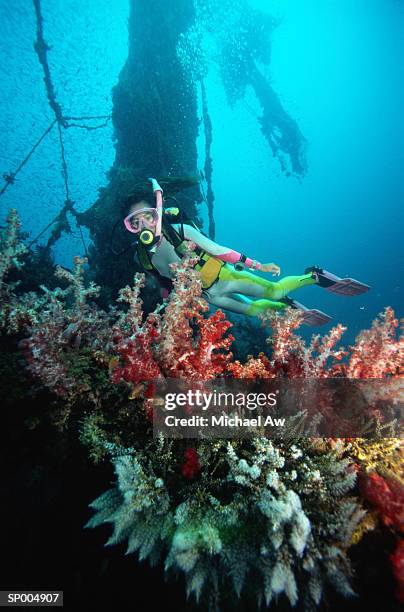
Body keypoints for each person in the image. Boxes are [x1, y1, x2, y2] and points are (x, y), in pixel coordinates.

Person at [122, 178, 370, 326]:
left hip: (226, 277)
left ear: (158, 213)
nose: (144, 226)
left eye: (148, 217)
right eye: (136, 222)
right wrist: (171, 304)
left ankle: (313, 276)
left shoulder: (179, 230)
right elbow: (164, 281)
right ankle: (288, 308)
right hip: (212, 296)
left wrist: (257, 265)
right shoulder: (142, 257)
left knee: (275, 289)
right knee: (256, 311)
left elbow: (219, 251)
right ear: (130, 227)